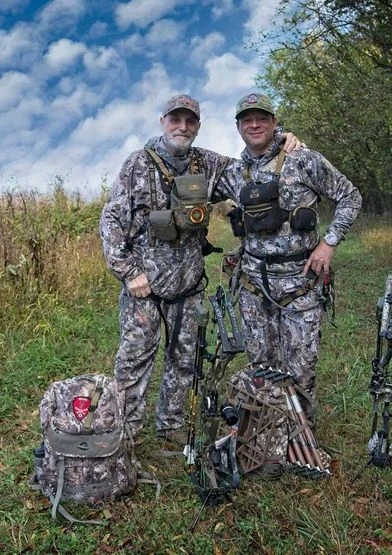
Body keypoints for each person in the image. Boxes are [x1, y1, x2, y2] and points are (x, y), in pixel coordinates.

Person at [100, 94, 302, 444]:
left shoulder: (208, 164)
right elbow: (111, 220)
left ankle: (171, 426)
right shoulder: (137, 164)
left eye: (190, 121)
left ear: (197, 126)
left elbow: (255, 167)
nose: (182, 126)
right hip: (144, 287)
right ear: (162, 122)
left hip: (189, 284)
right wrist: (128, 272)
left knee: (184, 360)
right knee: (134, 361)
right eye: (175, 119)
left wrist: (282, 138)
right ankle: (125, 435)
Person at [216, 92, 362, 423]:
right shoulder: (233, 172)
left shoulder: (304, 159)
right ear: (238, 127)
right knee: (261, 368)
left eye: (262, 118)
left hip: (301, 285)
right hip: (254, 287)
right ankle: (266, 433)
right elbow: (189, 173)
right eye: (247, 120)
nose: (255, 125)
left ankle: (301, 435)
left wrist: (329, 243)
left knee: (301, 368)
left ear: (274, 122)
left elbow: (350, 196)